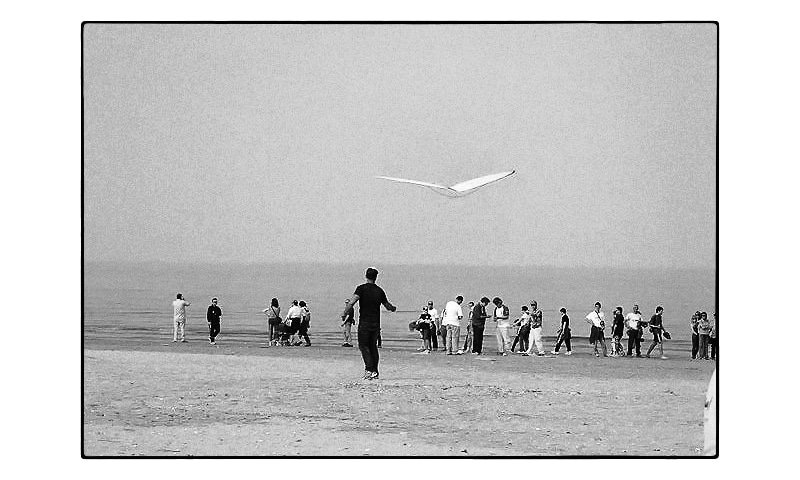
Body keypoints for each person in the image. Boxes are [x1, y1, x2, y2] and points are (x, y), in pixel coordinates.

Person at [341, 267, 396, 380]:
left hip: (365, 322)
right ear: (376, 277)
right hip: (376, 323)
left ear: (366, 276)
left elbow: (352, 302)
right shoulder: (379, 291)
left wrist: (344, 313)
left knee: (363, 346)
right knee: (373, 347)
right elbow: (387, 306)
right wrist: (393, 308)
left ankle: (369, 370)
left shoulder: (361, 289)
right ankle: (375, 371)